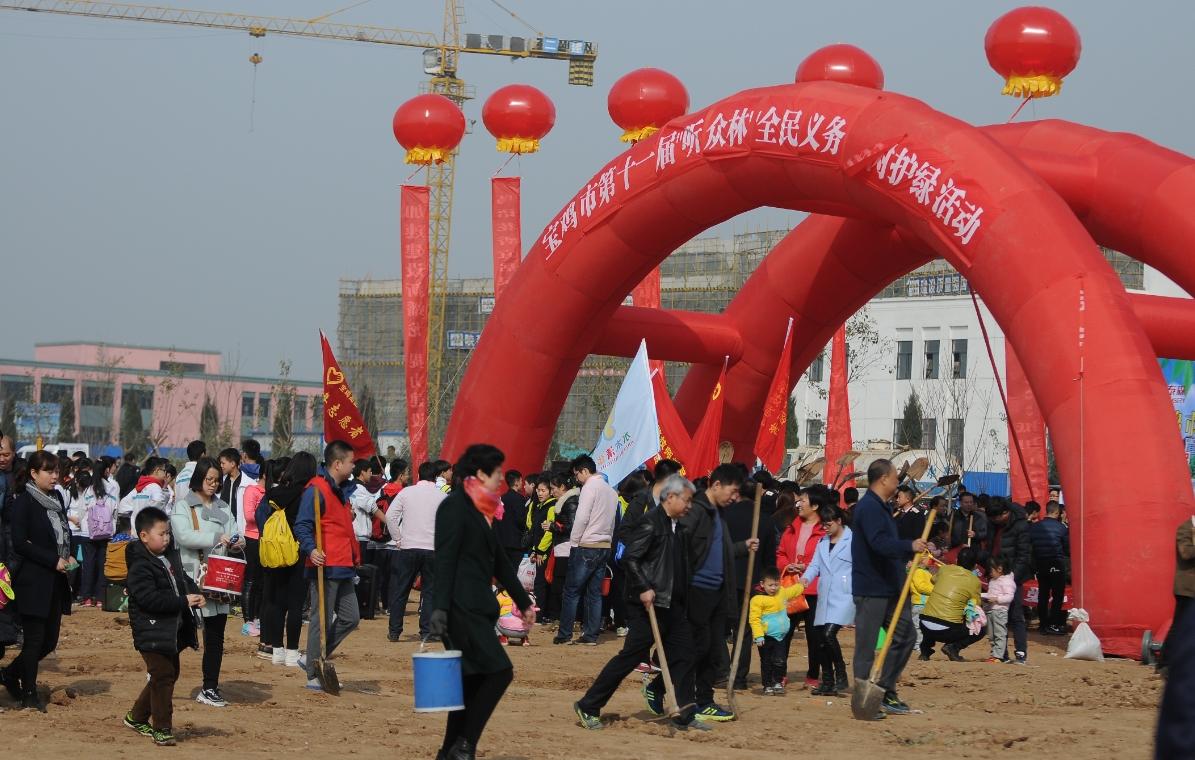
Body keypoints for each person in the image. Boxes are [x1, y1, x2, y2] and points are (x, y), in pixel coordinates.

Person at [573, 474, 707, 732]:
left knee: (686, 654)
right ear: (671, 497)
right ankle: (589, 704)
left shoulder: (676, 526)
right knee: (630, 657)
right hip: (646, 606)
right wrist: (644, 587)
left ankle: (685, 711)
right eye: (687, 500)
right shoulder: (651, 524)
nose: (690, 506)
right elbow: (630, 560)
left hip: (671, 604)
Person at [428, 444, 534, 759]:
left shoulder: (481, 508)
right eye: (497, 473)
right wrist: (440, 608)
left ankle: (449, 750)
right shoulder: (454, 507)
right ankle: (465, 745)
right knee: (500, 672)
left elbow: (498, 561)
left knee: (468, 684)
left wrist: (523, 601)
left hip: (477, 608)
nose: (501, 479)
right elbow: (444, 560)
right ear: (480, 473)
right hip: (460, 611)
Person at [645, 463, 751, 723]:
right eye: (734, 491)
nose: (735, 497)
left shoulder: (718, 514)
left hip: (716, 590)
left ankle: (697, 698)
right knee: (696, 648)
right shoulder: (695, 510)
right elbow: (680, 549)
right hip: (696, 590)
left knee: (710, 650)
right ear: (716, 485)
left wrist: (742, 547)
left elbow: (717, 552)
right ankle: (678, 693)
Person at [850, 458, 927, 719]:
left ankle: (884, 689)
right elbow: (878, 543)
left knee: (906, 635)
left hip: (891, 586)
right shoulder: (869, 508)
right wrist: (909, 546)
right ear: (883, 478)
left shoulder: (883, 507)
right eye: (895, 477)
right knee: (866, 645)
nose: (898, 481)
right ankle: (863, 703)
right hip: (871, 587)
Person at [122, 506, 205, 746]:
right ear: (144, 536)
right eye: (162, 534)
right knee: (163, 674)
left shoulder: (168, 558)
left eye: (168, 533)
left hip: (170, 630)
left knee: (167, 673)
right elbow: (150, 600)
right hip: (151, 630)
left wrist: (195, 593)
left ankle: (136, 717)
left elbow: (183, 581)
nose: (167, 538)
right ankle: (162, 727)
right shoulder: (140, 566)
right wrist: (182, 601)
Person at [0, 450, 72, 710]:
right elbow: (19, 543)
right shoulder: (24, 502)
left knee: (49, 641)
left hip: (56, 581)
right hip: (32, 581)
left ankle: (10, 673)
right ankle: (29, 693)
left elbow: (62, 533)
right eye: (49, 472)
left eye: (57, 472)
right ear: (33, 473)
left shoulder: (56, 499)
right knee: (33, 640)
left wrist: (67, 554)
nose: (55, 476)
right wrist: (52, 559)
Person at [172, 456, 240, 708]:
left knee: (215, 636)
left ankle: (210, 686)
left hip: (220, 578)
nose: (212, 484)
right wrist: (216, 536)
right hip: (192, 578)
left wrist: (236, 541)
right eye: (208, 479)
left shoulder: (222, 506)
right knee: (183, 631)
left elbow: (235, 531)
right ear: (198, 479)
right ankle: (160, 669)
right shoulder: (183, 506)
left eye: (216, 480)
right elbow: (183, 536)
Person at [294, 441, 362, 691]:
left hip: (343, 564)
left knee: (351, 617)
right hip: (326, 563)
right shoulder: (316, 489)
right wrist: (311, 549)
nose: (354, 466)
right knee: (320, 620)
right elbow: (302, 525)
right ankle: (313, 670)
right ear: (337, 463)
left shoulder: (340, 490)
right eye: (351, 462)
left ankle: (311, 656)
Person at [256, 453, 315, 667]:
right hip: (297, 553)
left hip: (274, 551)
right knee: (295, 605)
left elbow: (260, 517)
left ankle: (277, 650)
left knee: (276, 602)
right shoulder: (307, 495)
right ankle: (292, 652)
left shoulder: (273, 493)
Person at [554, 455, 617, 646]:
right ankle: (590, 635)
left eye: (577, 475)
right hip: (604, 545)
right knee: (594, 593)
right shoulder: (611, 491)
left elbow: (581, 518)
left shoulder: (590, 487)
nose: (577, 479)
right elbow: (613, 522)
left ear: (584, 471)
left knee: (571, 591)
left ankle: (565, 634)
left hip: (586, 545)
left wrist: (574, 542)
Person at [387, 460, 446, 643]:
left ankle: (395, 631)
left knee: (401, 589)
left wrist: (397, 538)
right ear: (436, 478)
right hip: (433, 549)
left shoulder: (406, 492)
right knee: (429, 592)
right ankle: (426, 631)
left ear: (418, 475)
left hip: (408, 547)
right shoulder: (441, 496)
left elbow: (390, 516)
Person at [776, 484, 828, 689]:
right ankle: (779, 672)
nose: (798, 504)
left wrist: (807, 567)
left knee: (815, 636)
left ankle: (813, 674)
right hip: (791, 587)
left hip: (814, 589)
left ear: (815, 506)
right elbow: (780, 552)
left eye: (803, 500)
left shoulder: (825, 530)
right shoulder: (792, 527)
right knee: (783, 631)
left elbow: (829, 560)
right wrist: (786, 565)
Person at [801, 502, 855, 696]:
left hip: (844, 595)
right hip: (825, 594)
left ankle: (841, 671)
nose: (825, 527)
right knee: (819, 639)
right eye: (823, 524)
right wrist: (805, 579)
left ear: (839, 521)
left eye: (828, 523)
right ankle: (828, 682)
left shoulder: (852, 540)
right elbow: (815, 565)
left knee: (828, 635)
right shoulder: (823, 542)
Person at [918, 546, 985, 661]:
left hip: (924, 623)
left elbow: (933, 580)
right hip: (947, 630)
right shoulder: (975, 581)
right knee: (981, 628)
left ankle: (925, 650)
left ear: (957, 561)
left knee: (933, 613)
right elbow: (976, 604)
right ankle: (953, 647)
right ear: (975, 566)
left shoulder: (945, 569)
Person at [986, 498, 1032, 664]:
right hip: (995, 575)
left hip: (1012, 577)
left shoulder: (1021, 525)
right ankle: (1000, 653)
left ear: (1005, 513)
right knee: (996, 615)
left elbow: (1024, 555)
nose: (994, 521)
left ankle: (1020, 653)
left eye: (996, 518)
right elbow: (990, 547)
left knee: (1015, 615)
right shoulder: (993, 524)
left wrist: (1012, 578)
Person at [750, 566, 806, 695]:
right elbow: (754, 619)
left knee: (780, 660)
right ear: (762, 584)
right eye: (770, 585)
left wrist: (802, 586)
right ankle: (767, 684)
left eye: (776, 585)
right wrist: (758, 636)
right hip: (765, 637)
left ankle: (777, 682)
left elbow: (792, 591)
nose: (774, 588)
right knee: (766, 661)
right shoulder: (757, 600)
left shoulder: (781, 592)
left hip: (781, 636)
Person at [76, 459, 117, 607]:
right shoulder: (112, 488)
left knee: (88, 564)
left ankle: (87, 597)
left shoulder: (88, 489)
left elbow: (82, 510)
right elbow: (114, 509)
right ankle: (100, 598)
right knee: (102, 564)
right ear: (106, 470)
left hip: (88, 532)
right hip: (106, 532)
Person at [1028, 500, 1070, 635]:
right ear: (1057, 513)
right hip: (1057, 564)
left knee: (1043, 595)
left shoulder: (1035, 527)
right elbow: (1067, 549)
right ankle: (1053, 624)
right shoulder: (1062, 528)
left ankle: (1043, 624)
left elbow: (1031, 547)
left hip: (1041, 565)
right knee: (1057, 596)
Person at [547, 472, 580, 625]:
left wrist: (553, 526)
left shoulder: (571, 502)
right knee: (560, 584)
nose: (551, 491)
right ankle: (562, 618)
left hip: (567, 548)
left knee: (562, 584)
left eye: (553, 488)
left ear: (562, 487)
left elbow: (572, 526)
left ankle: (565, 619)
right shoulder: (565, 502)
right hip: (562, 547)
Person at [525, 474, 556, 621]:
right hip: (538, 550)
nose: (539, 493)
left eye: (543, 490)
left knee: (541, 583)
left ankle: (541, 614)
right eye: (538, 490)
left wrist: (540, 551)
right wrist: (533, 549)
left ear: (550, 491)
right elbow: (534, 530)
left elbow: (548, 533)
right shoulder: (538, 506)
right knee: (540, 582)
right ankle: (544, 613)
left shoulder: (552, 506)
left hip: (546, 552)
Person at [981, 554, 1016, 663]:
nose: (989, 573)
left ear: (1000, 569)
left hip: (1000, 611)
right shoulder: (993, 580)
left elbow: (1009, 596)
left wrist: (997, 599)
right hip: (990, 610)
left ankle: (998, 656)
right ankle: (995, 654)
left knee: (999, 634)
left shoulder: (1007, 581)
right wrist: (982, 596)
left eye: (990, 570)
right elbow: (990, 594)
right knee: (991, 635)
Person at [119, 457, 170, 525]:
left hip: (135, 532)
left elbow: (122, 506)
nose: (165, 474)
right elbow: (159, 506)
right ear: (157, 470)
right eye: (164, 470)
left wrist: (133, 520)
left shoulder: (137, 488)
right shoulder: (155, 487)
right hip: (150, 532)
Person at [496, 469, 527, 572]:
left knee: (503, 571)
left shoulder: (502, 498)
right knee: (514, 571)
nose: (522, 484)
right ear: (517, 482)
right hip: (515, 542)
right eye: (521, 481)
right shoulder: (519, 499)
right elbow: (520, 520)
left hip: (502, 540)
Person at [174, 440, 206, 506]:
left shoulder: (180, 475)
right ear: (203, 455)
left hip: (180, 512)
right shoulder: (200, 472)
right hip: (194, 513)